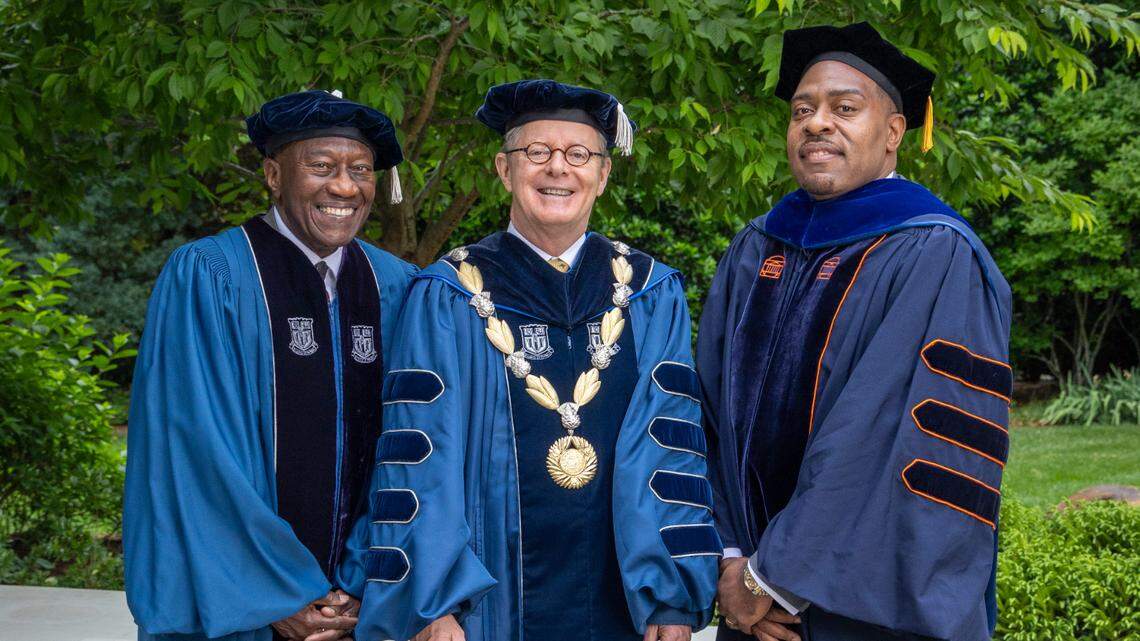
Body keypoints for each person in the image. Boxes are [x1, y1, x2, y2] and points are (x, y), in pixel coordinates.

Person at [340, 79, 719, 641]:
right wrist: (433, 604)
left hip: (625, 607)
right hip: (488, 607)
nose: (558, 169)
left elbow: (671, 450)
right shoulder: (449, 295)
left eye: (579, 154)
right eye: (536, 153)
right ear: (504, 169)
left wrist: (671, 600)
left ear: (603, 174)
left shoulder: (648, 291)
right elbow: (420, 457)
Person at [698, 23, 1012, 641]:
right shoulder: (756, 247)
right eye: (802, 110)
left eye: (845, 108)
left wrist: (775, 579)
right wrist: (729, 559)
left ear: (894, 132)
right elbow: (707, 408)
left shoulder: (934, 252)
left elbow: (884, 432)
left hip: (864, 608)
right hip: (749, 601)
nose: (817, 123)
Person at [124, 90, 417, 641]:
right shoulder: (210, 276)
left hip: (362, 606)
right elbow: (196, 454)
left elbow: (413, 447)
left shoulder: (397, 286)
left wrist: (360, 582)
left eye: (360, 169)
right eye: (322, 167)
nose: (345, 187)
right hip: (247, 609)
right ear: (273, 175)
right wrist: (278, 594)